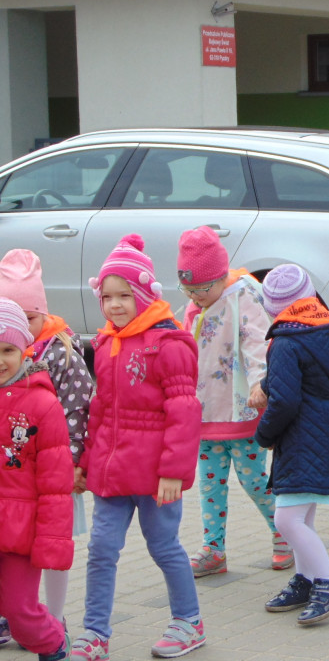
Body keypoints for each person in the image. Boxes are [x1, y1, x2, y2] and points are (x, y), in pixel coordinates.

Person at [73, 234, 205, 660]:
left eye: (124, 295)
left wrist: (173, 471)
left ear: (145, 295)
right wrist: (85, 462)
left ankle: (189, 621)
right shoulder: (107, 343)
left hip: (155, 478)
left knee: (164, 546)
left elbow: (184, 412)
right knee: (100, 550)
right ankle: (95, 633)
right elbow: (99, 409)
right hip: (112, 476)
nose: (114, 304)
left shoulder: (168, 345)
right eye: (107, 296)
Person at [176, 227, 289, 578]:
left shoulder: (243, 299)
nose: (196, 296)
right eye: (189, 289)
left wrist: (261, 384)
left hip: (241, 410)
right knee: (209, 483)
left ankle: (284, 532)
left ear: (221, 276)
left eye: (202, 289)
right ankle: (213, 548)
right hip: (205, 412)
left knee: (254, 480)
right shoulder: (194, 308)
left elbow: (258, 343)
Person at [0, 249, 92, 629]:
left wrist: (73, 462)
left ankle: (53, 618)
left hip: (56, 471)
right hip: (14, 475)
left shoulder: (63, 350)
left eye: (32, 317)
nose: (26, 325)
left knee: (54, 544)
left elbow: (79, 410)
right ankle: (15, 615)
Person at [258, 264, 329, 626]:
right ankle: (306, 578)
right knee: (303, 514)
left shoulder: (285, 342)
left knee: (286, 518)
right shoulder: (325, 332)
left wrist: (265, 434)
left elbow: (283, 400)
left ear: (273, 308)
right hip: (327, 433)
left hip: (300, 439)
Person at [0, 298, 74, 661]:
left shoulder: (43, 405)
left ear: (24, 350)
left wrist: (52, 542)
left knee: (20, 614)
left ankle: (55, 645)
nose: (0, 359)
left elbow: (56, 486)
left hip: (20, 532)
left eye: (8, 350)